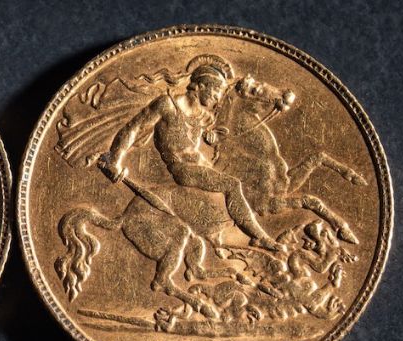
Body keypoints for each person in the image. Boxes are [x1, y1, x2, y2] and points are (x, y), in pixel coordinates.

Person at [100, 55, 283, 252]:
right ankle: (259, 237)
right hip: (183, 169)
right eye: (216, 91)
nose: (218, 97)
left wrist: (211, 137)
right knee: (232, 185)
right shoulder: (167, 105)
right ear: (201, 86)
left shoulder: (202, 115)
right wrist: (115, 159)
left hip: (200, 164)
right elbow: (133, 128)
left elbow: (205, 132)